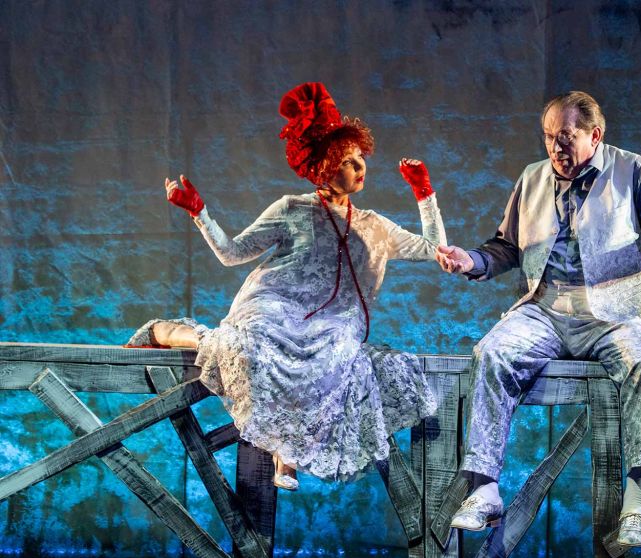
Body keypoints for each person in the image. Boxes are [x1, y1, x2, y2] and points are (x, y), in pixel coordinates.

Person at [128, 82, 445, 490]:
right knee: (251, 347)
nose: (359, 167)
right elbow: (232, 253)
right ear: (323, 167)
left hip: (333, 323)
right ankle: (167, 333)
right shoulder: (292, 209)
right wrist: (199, 212)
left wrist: (423, 191)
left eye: (360, 158)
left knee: (334, 356)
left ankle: (287, 454)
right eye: (347, 161)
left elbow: (436, 250)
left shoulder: (374, 226)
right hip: (275, 305)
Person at [435, 91, 641, 547]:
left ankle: (635, 502)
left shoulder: (632, 169)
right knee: (491, 352)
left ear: (594, 135)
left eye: (565, 137)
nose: (555, 148)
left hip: (613, 310)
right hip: (546, 308)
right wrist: (471, 261)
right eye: (549, 137)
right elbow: (506, 246)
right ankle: (485, 489)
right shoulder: (532, 178)